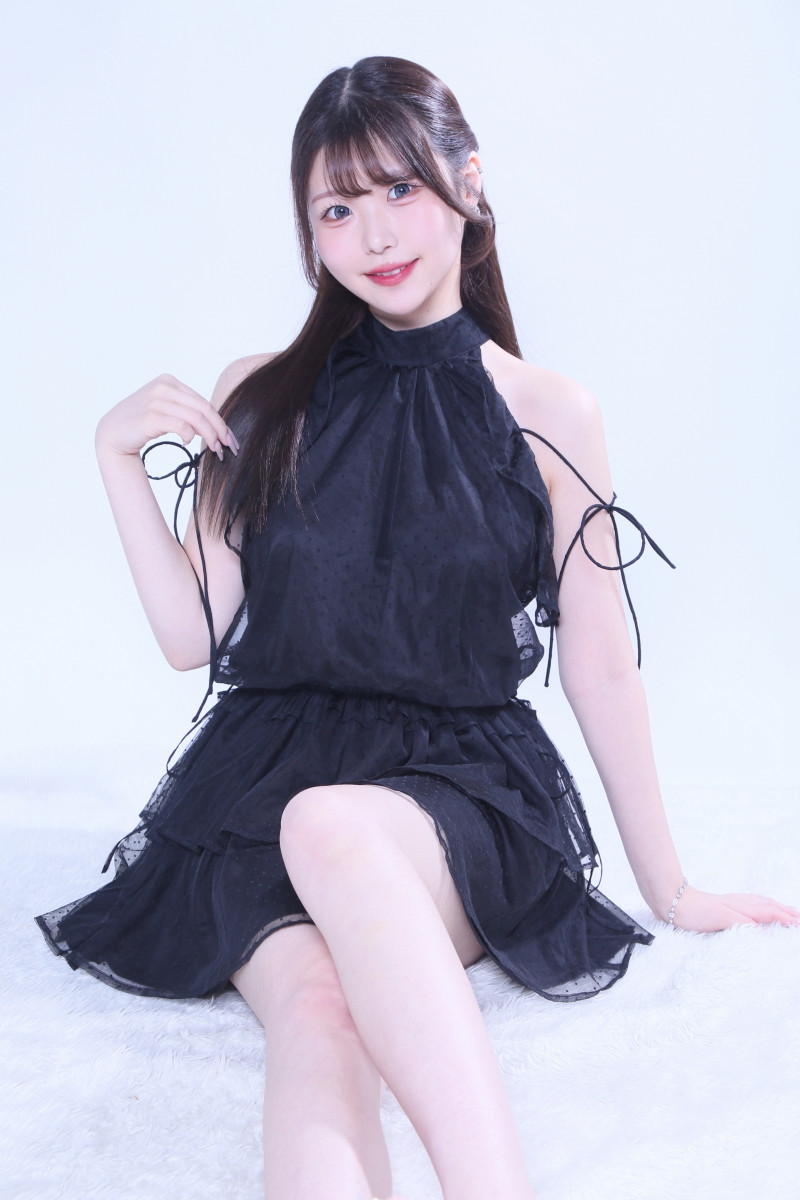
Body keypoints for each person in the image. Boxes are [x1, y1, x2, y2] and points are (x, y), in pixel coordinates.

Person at [35, 56, 798, 1200]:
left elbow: (597, 663)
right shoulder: (261, 394)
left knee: (332, 826)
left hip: (460, 791)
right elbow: (196, 635)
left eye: (399, 188)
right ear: (308, 233)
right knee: (315, 1008)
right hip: (258, 782)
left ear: (466, 183)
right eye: (337, 209)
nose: (374, 233)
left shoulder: (546, 410)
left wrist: (672, 887)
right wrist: (114, 460)